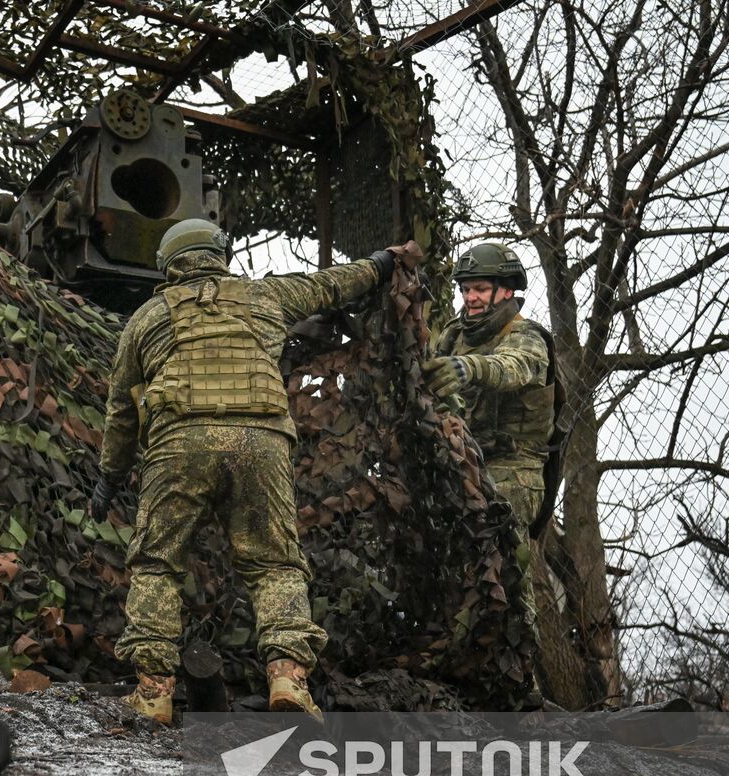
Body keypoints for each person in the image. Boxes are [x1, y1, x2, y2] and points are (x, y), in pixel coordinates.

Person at [91, 217, 396, 724]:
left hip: (178, 443)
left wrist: (109, 476)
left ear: (168, 264)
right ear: (218, 254)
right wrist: (382, 264)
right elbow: (331, 283)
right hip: (261, 440)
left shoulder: (147, 318)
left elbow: (122, 409)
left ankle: (153, 693)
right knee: (275, 563)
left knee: (158, 562)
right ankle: (289, 681)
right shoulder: (265, 297)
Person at [421, 242, 557, 644]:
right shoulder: (454, 335)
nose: (470, 298)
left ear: (506, 290)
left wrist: (469, 367)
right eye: (465, 289)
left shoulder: (528, 337)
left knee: (504, 554)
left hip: (516, 469)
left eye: (479, 288)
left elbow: (513, 368)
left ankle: (521, 660)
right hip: (463, 465)